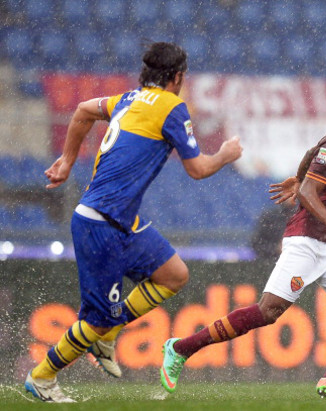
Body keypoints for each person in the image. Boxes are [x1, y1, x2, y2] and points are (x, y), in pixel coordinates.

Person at [25, 42, 243, 403]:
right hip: (101, 223)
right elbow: (198, 169)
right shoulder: (172, 107)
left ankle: (109, 332)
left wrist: (66, 160)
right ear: (176, 77)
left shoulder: (128, 99)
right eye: (182, 78)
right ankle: (42, 376)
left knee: (174, 275)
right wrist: (225, 154)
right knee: (95, 321)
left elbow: (82, 110)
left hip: (121, 220)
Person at [160, 78, 326, 399]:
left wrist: (299, 177)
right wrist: (325, 212)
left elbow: (313, 152)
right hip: (309, 240)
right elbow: (309, 192)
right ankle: (181, 348)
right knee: (267, 312)